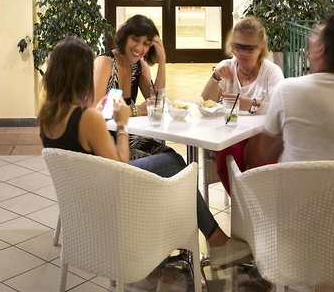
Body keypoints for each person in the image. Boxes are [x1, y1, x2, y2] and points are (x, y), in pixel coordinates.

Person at [39, 37, 252, 269]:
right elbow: (120, 165)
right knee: (174, 162)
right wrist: (122, 124)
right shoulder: (87, 118)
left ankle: (178, 245)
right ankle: (215, 241)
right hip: (111, 193)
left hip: (85, 196)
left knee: (167, 164)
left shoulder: (47, 116)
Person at [201, 16, 284, 192]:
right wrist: (216, 77)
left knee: (261, 155)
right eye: (237, 47)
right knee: (226, 151)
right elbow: (205, 103)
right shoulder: (226, 67)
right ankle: (242, 202)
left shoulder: (271, 72)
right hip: (232, 134)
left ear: (260, 49)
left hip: (262, 135)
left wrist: (251, 105)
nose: (242, 53)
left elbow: (279, 108)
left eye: (249, 48)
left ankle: (255, 202)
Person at [257, 14, 334, 163]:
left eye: (315, 34)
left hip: (292, 178)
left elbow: (264, 153)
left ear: (320, 50)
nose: (309, 37)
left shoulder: (287, 90)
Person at [93, 14, 170, 158]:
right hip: (104, 142)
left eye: (146, 43)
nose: (139, 48)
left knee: (171, 156)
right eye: (135, 39)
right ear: (125, 37)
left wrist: (162, 60)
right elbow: (95, 112)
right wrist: (137, 109)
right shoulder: (105, 62)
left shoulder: (139, 65)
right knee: (168, 161)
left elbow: (156, 105)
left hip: (126, 136)